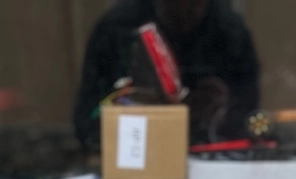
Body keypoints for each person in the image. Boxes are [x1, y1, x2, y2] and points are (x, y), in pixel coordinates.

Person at [73, 0, 260, 149]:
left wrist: (223, 115)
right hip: (141, 155)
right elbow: (87, 125)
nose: (183, 9)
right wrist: (131, 107)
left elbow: (251, 122)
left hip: (212, 158)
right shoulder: (118, 28)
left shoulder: (230, 32)